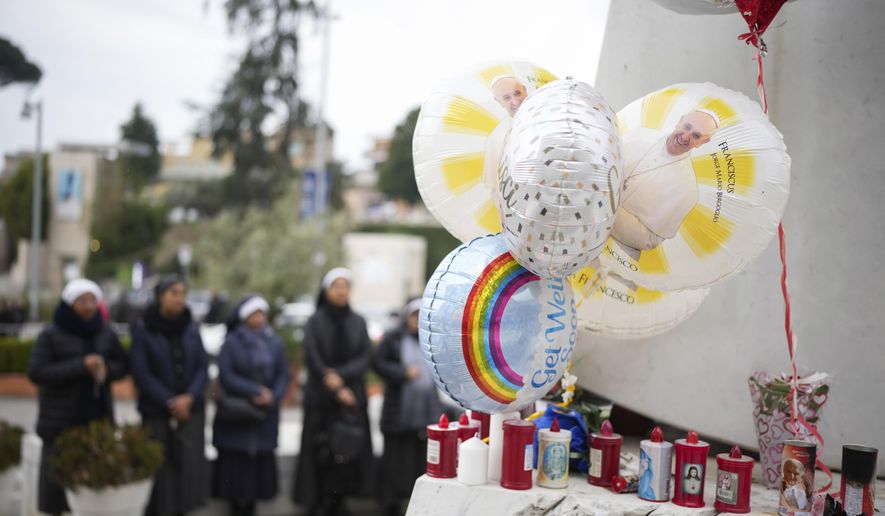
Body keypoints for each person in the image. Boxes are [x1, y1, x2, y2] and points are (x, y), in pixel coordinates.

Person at [27, 279, 128, 515]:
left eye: (93, 300)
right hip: (60, 420)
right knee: (56, 485)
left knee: (91, 483)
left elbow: (123, 364)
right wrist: (80, 366)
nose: (89, 306)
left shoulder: (105, 331)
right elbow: (37, 372)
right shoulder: (51, 334)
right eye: (82, 300)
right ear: (70, 303)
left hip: (96, 417)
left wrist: (106, 369)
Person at [293, 268, 373, 516]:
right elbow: (313, 357)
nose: (341, 291)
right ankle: (316, 501)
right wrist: (334, 384)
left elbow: (365, 355)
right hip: (321, 398)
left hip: (350, 399)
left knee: (348, 454)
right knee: (319, 453)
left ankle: (342, 500)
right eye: (336, 286)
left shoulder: (358, 321)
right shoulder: (315, 321)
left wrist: (342, 378)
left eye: (345, 286)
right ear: (326, 291)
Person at [130, 276, 209, 515]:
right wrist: (170, 401)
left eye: (183, 293)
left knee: (188, 471)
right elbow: (141, 372)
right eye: (174, 293)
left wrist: (190, 397)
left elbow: (202, 367)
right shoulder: (144, 328)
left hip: (190, 412)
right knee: (161, 474)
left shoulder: (191, 327)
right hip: (157, 413)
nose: (180, 299)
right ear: (160, 296)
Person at [213, 295, 290, 516]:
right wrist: (255, 391)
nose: (259, 318)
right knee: (236, 472)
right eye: (254, 313)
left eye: (262, 313)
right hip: (239, 414)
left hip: (265, 414)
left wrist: (273, 395)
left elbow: (283, 374)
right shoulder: (232, 342)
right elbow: (226, 375)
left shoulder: (274, 342)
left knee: (257, 476)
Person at [610, 110, 720, 256]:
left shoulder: (687, 191)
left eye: (696, 135)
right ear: (679, 121)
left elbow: (649, 240)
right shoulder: (640, 134)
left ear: (703, 142)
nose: (686, 136)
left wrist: (606, 208)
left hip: (613, 249)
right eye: (687, 127)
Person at [373, 298, 443, 516]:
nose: (417, 319)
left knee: (418, 459)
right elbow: (378, 363)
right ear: (406, 316)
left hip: (425, 413)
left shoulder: (431, 338)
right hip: (397, 412)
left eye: (422, 314)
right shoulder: (393, 337)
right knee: (393, 459)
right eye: (414, 314)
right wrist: (403, 373)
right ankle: (390, 503)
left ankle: (416, 501)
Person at [481, 76, 529, 192]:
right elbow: (495, 188)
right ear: (499, 101)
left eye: (517, 93)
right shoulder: (496, 138)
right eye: (507, 98)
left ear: (525, 90)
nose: (515, 101)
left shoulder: (549, 117)